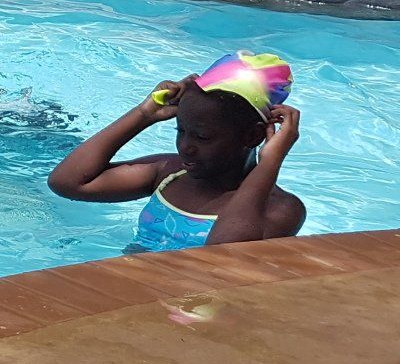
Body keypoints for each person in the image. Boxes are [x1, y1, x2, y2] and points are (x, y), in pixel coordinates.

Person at [47, 51, 304, 250]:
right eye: (181, 131)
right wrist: (144, 115)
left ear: (253, 136)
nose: (185, 147)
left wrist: (270, 162)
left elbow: (222, 257)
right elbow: (68, 183)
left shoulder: (280, 209)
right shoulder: (170, 174)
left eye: (202, 137)